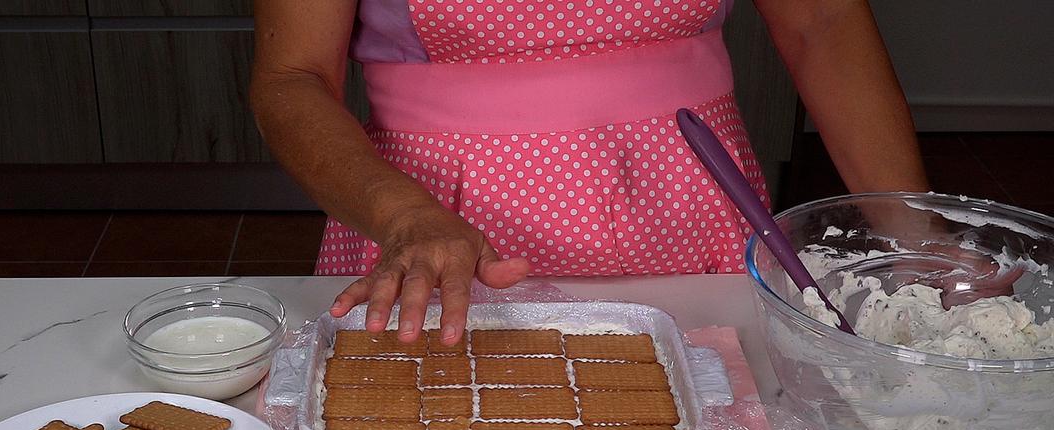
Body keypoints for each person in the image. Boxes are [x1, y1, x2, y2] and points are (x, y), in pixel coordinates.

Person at [251, 0, 928, 345]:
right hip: (427, 230)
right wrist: (404, 216)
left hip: (693, 212)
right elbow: (292, 76)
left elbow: (822, 20)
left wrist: (921, 246)